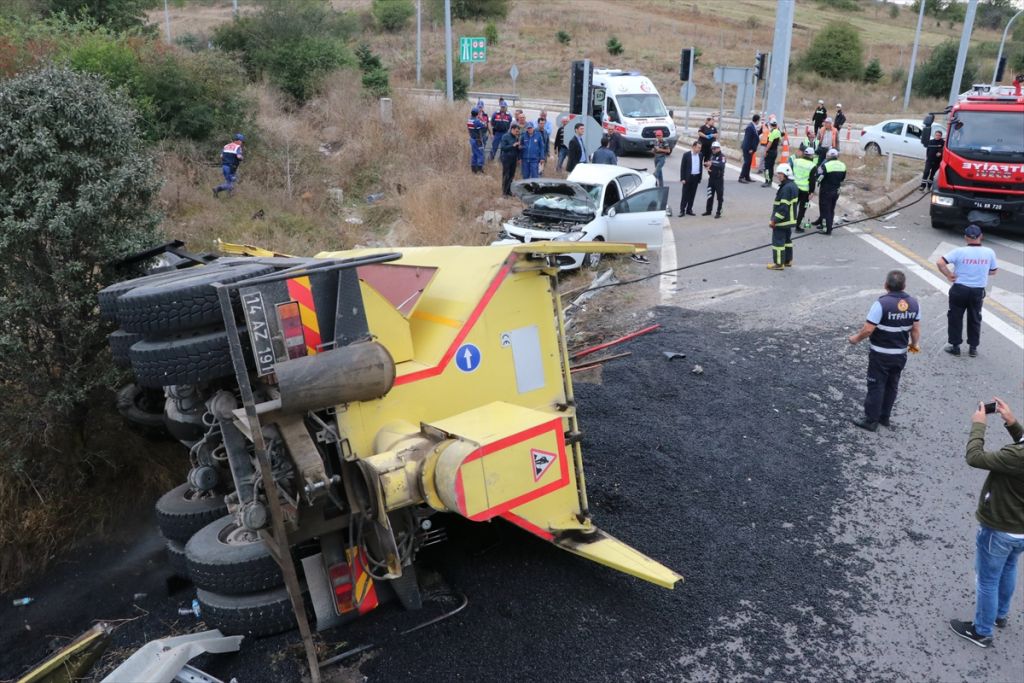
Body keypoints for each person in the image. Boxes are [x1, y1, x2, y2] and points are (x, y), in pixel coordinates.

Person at [948, 397, 1024, 649]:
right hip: (1020, 531)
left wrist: (979, 425)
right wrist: (1013, 425)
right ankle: (1000, 614)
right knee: (1009, 566)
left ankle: (982, 631)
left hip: (1000, 527)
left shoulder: (1015, 457)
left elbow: (975, 457)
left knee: (987, 579)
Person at [846, 269, 921, 432]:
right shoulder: (914, 303)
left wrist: (855, 339)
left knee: (876, 385)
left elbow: (868, 330)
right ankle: (884, 417)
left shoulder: (881, 304)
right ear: (904, 286)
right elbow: (915, 329)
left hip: (880, 354)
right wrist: (914, 345)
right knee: (892, 385)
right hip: (900, 355)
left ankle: (871, 420)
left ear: (886, 285)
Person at [937, 224, 998, 357]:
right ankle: (973, 348)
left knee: (955, 317)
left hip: (959, 289)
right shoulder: (989, 252)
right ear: (981, 236)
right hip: (977, 291)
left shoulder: (959, 252)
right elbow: (993, 271)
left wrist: (948, 275)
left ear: (965, 237)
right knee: (975, 318)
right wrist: (979, 272)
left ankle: (955, 346)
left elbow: (940, 262)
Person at [767, 164, 798, 270]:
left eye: (780, 174)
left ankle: (779, 264)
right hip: (790, 220)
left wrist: (774, 220)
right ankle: (788, 260)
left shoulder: (786, 188)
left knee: (778, 242)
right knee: (787, 241)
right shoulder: (793, 186)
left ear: (786, 174)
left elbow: (783, 208)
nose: (778, 176)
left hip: (782, 221)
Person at [811, 148, 846, 235]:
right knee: (831, 209)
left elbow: (819, 177)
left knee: (825, 209)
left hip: (826, 190)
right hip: (836, 190)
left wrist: (818, 181)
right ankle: (825, 225)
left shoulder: (826, 165)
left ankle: (827, 229)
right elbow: (842, 178)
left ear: (829, 156)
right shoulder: (843, 165)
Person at [792, 146, 818, 233]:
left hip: (794, 188)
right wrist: (811, 192)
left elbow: (791, 173)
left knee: (792, 206)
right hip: (805, 191)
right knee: (803, 209)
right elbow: (812, 180)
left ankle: (789, 223)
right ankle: (798, 226)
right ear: (811, 156)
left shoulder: (796, 161)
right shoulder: (812, 166)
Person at [213, 133, 244, 197]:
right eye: (241, 141)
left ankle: (230, 195)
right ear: (238, 140)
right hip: (231, 168)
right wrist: (242, 157)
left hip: (224, 166)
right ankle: (217, 189)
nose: (241, 142)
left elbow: (221, 156)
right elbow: (238, 156)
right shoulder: (238, 147)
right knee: (230, 184)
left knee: (230, 181)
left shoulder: (226, 146)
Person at [678, 140, 703, 217]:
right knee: (685, 195)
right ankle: (682, 210)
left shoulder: (701, 155)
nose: (699, 149)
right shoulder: (686, 155)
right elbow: (682, 167)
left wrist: (699, 177)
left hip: (696, 177)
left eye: (700, 148)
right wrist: (682, 178)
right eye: (698, 147)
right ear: (693, 147)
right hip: (688, 178)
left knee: (692, 195)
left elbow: (700, 166)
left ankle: (689, 209)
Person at [702, 140, 725, 218]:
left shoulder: (722, 156)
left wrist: (711, 163)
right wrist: (706, 166)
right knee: (709, 195)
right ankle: (708, 210)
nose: (713, 150)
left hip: (719, 179)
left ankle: (719, 212)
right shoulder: (712, 155)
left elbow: (721, 165)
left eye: (715, 148)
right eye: (712, 148)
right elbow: (707, 163)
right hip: (711, 178)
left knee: (719, 196)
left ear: (718, 148)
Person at [499, 123, 522, 196]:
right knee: (506, 175)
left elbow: (517, 149)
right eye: (516, 131)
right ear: (512, 129)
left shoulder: (516, 137)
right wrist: (512, 145)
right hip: (506, 158)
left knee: (512, 175)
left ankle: (509, 191)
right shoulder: (505, 136)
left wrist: (519, 148)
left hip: (514, 158)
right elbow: (503, 148)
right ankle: (504, 192)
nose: (517, 133)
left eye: (518, 131)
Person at [739, 114, 760, 183]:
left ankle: (747, 176)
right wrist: (750, 149)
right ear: (757, 120)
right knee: (746, 162)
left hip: (750, 148)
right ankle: (741, 177)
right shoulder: (750, 127)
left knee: (749, 162)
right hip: (747, 148)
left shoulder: (753, 126)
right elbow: (748, 139)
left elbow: (755, 136)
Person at [761, 121, 781, 187]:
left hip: (770, 151)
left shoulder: (772, 132)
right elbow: (780, 141)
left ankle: (767, 181)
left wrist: (765, 151)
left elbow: (770, 143)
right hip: (775, 151)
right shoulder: (778, 132)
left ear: (771, 125)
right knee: (771, 167)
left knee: (766, 167)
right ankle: (770, 181)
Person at [467, 108, 486, 173]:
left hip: (472, 138)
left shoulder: (469, 120)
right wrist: (481, 118)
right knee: (480, 154)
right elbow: (484, 125)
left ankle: (473, 169)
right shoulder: (477, 121)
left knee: (474, 154)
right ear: (477, 114)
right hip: (477, 139)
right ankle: (479, 169)